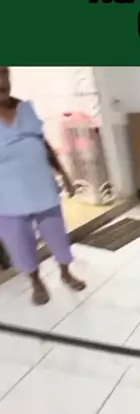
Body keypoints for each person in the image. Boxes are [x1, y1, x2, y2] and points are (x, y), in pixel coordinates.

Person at [0, 66, 86, 305]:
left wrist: (64, 175)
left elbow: (44, 144)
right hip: (6, 196)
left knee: (57, 235)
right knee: (20, 242)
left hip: (42, 187)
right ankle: (36, 282)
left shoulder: (26, 108)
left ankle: (66, 273)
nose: (1, 81)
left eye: (3, 73)